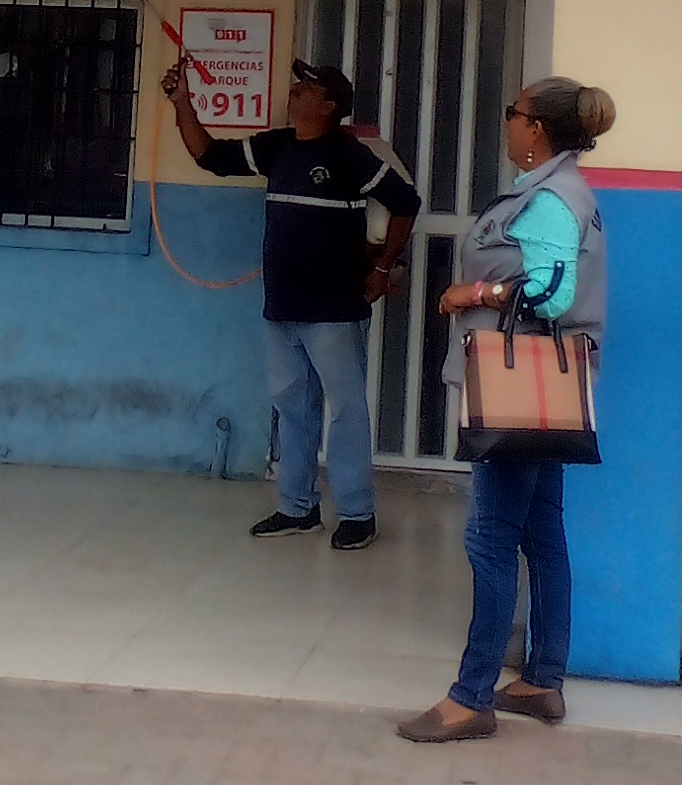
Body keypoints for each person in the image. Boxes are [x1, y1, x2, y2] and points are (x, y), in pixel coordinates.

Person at [396, 75, 614, 743]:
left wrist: (474, 293)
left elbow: (550, 292)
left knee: (490, 537)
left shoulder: (551, 199)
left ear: (536, 128)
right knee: (541, 533)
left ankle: (471, 697)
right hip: (542, 393)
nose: (508, 123)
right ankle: (542, 680)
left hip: (518, 393)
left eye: (513, 113)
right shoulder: (557, 191)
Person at [163, 55, 419, 550]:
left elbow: (406, 202)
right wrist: (183, 103)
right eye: (297, 85)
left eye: (308, 88)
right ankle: (297, 508)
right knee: (294, 408)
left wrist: (383, 268)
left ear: (329, 106)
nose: (296, 91)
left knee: (345, 411)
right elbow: (209, 156)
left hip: (334, 309)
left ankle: (357, 513)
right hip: (282, 307)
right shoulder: (277, 146)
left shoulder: (349, 155)